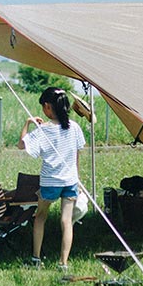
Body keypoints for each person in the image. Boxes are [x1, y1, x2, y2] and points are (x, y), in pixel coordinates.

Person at [19, 86, 88, 270]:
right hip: (70, 181)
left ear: (48, 107)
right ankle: (63, 263)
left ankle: (36, 258)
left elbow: (21, 145)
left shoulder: (44, 130)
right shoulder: (74, 127)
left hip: (50, 181)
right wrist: (77, 179)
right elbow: (77, 155)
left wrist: (28, 123)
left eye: (43, 106)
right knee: (67, 221)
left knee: (40, 217)